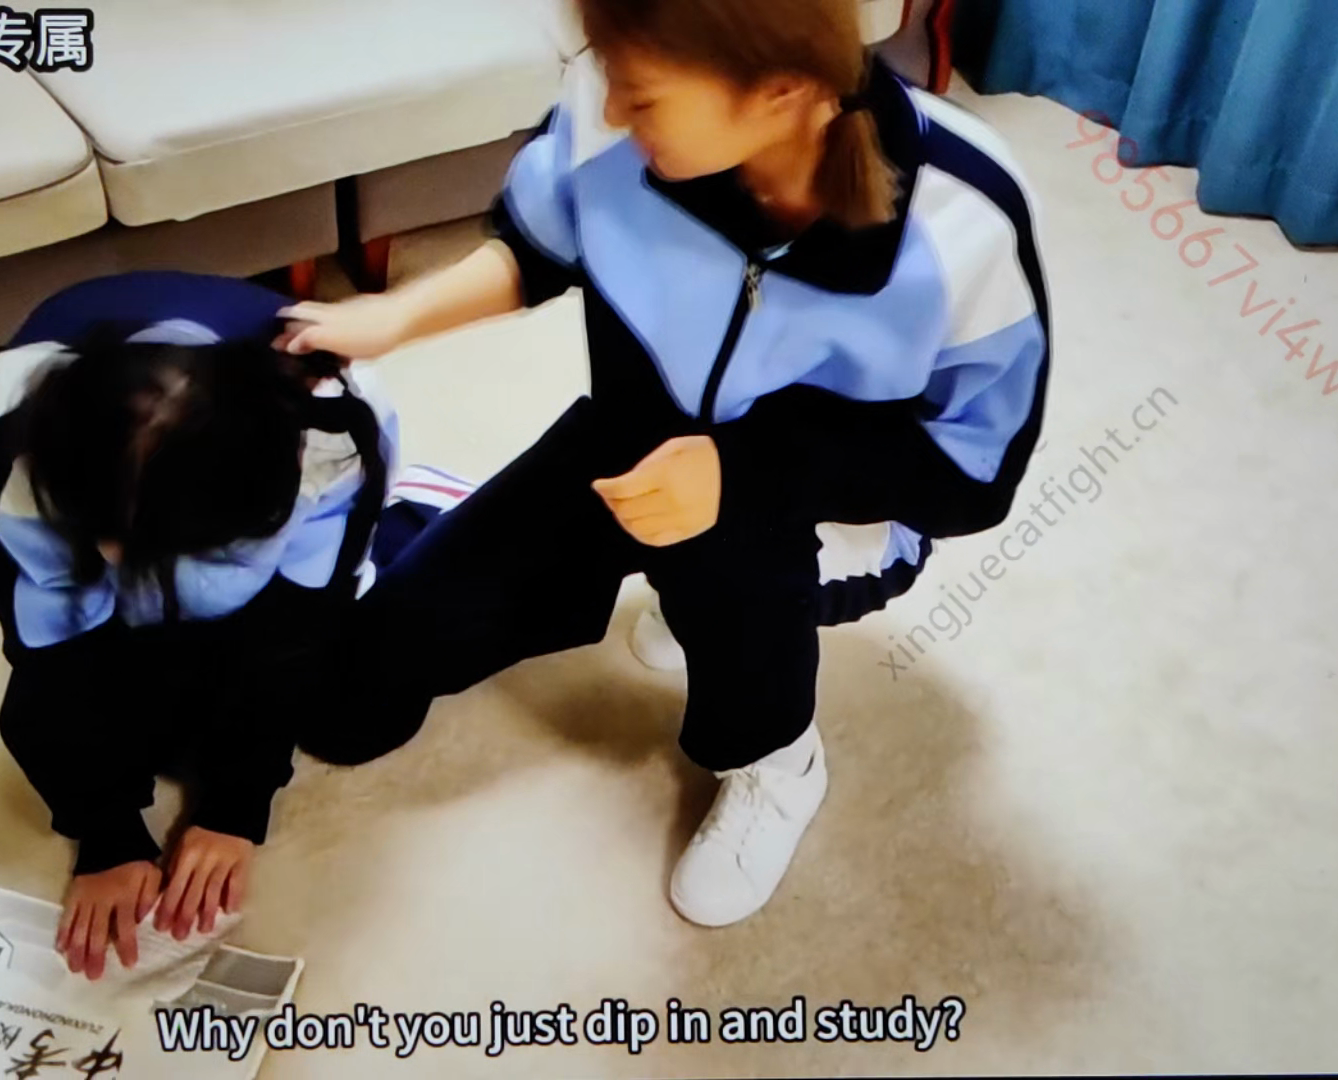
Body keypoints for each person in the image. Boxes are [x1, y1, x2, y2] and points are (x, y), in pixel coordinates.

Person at [277, 0, 1051, 927]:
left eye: (642, 96)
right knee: (346, 704)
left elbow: (972, 476)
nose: (608, 109)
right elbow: (538, 245)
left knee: (726, 562)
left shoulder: (965, 220)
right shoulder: (611, 109)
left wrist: (742, 474)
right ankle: (659, 582)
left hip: (819, 513)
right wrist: (395, 317)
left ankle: (778, 757)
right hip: (628, 442)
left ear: (781, 90)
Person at [0, 271, 469, 978]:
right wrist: (107, 837)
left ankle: (421, 507)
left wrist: (236, 807)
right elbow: (51, 661)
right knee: (64, 718)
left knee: (356, 711)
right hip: (87, 493)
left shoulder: (338, 438)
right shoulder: (19, 464)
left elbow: (299, 632)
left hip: (310, 505)